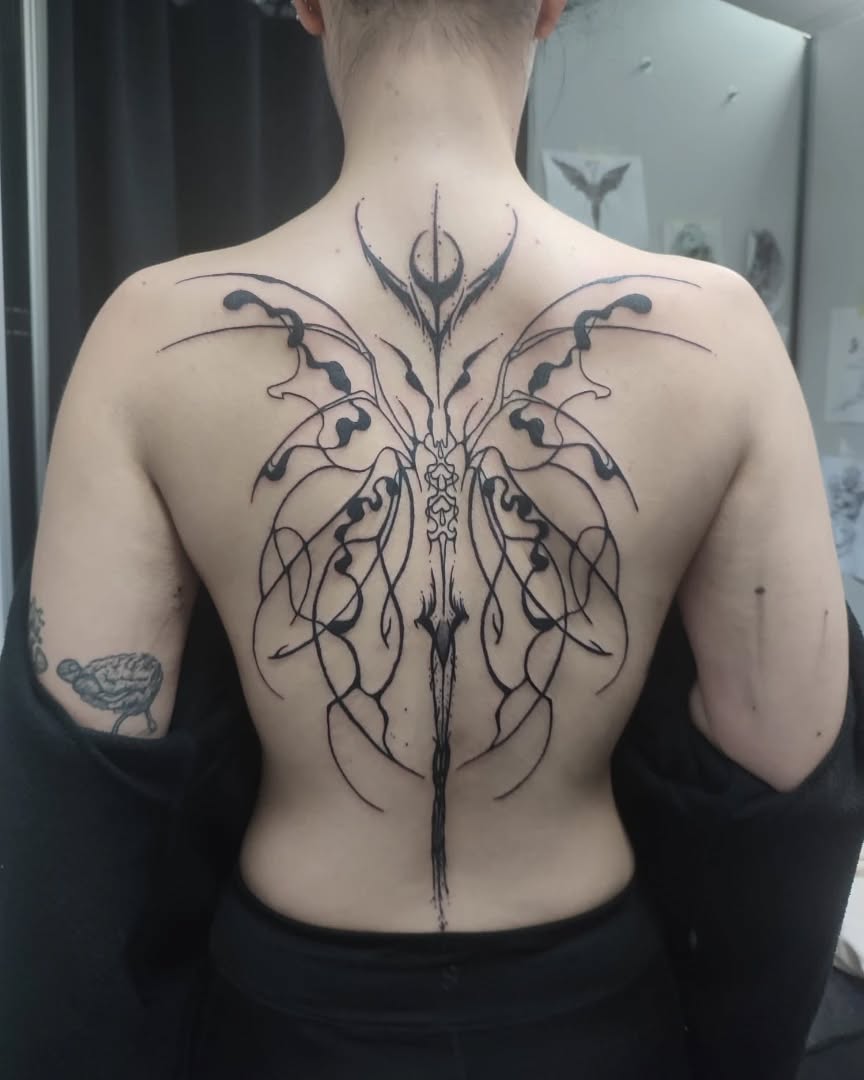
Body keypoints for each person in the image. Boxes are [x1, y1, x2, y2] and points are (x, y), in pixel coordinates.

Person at [26, 0, 848, 1076]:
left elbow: (85, 826)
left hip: (286, 1019)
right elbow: (783, 765)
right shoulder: (720, 336)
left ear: (309, 6)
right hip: (594, 1015)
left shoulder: (152, 336)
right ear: (551, 7)